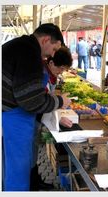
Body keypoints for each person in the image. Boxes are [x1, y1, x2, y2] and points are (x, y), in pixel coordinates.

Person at [2, 23, 71, 191]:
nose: (52, 55)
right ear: (45, 40)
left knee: (9, 167)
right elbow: (32, 101)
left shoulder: (18, 45)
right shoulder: (29, 52)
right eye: (54, 49)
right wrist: (60, 101)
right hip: (14, 117)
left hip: (8, 114)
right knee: (18, 171)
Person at [30, 46, 73, 191]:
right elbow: (40, 103)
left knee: (33, 154)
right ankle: (33, 186)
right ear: (51, 63)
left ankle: (36, 182)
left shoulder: (49, 75)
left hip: (35, 119)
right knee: (29, 155)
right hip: (30, 119)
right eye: (60, 68)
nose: (61, 72)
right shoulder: (42, 76)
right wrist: (57, 115)